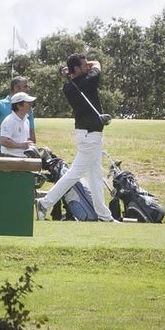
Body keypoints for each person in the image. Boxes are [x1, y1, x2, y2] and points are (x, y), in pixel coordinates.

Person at [35, 54, 116, 222]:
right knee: (75, 174)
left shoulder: (69, 87)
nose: (88, 67)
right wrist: (74, 70)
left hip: (88, 134)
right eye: (84, 65)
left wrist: (71, 72)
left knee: (95, 174)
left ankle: (104, 216)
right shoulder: (89, 80)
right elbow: (97, 63)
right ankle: (44, 203)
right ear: (78, 69)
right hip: (89, 136)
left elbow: (87, 68)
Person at [0, 76, 35, 156]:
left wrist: (33, 150)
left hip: (23, 154)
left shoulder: (28, 108)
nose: (28, 89)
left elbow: (31, 130)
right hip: (7, 153)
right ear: (16, 88)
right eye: (25, 86)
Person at [0, 92, 37, 157]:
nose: (31, 105)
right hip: (9, 158)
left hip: (21, 158)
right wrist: (21, 145)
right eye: (28, 103)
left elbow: (25, 140)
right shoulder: (9, 121)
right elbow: (3, 141)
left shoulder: (26, 120)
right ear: (19, 106)